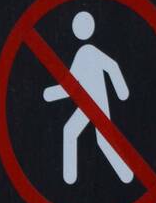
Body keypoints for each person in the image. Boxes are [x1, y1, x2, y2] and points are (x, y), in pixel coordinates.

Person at [43, 10, 131, 185]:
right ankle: (69, 179)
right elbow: (72, 85)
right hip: (87, 105)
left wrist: (122, 91)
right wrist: (52, 94)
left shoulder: (87, 51)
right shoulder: (84, 52)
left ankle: (127, 174)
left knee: (103, 141)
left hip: (95, 105)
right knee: (71, 132)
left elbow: (111, 66)